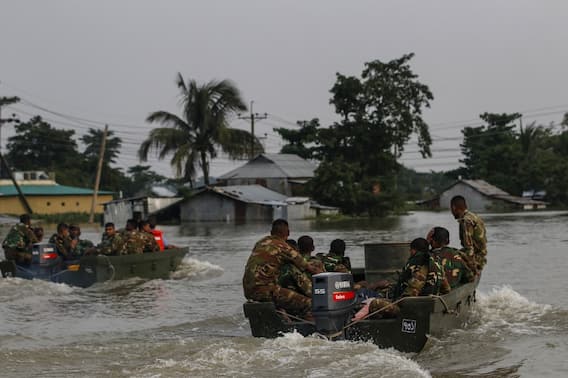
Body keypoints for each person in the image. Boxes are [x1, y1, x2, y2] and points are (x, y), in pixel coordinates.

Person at [243, 219, 322, 318]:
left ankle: (285, 319)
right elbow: (308, 267)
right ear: (288, 233)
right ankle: (308, 332)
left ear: (271, 232)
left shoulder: (260, 243)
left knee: (282, 299)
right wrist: (323, 274)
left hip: (248, 290)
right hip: (265, 290)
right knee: (311, 304)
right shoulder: (284, 247)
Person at [450, 195, 487, 273]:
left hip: (477, 258)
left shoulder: (466, 221)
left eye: (451, 209)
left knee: (446, 257)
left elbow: (469, 248)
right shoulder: (474, 216)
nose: (452, 212)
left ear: (454, 208)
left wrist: (472, 268)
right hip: (481, 255)